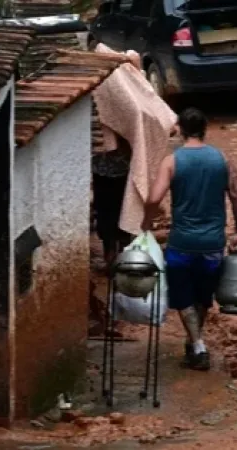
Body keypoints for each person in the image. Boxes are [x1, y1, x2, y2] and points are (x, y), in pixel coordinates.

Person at [141, 107, 237, 371]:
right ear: (205, 128)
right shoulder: (223, 159)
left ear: (180, 130)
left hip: (182, 243)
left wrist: (145, 225)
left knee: (183, 294)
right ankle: (194, 344)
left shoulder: (172, 161)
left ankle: (198, 345)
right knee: (202, 296)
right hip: (213, 244)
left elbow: (154, 199)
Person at [90, 133, 134, 336]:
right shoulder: (128, 157)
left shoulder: (98, 158)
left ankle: (111, 263)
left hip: (104, 191)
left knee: (108, 236)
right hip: (123, 191)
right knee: (122, 234)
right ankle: (121, 272)